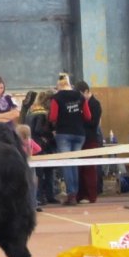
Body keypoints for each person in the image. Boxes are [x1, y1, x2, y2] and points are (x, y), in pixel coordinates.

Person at [48, 73, 91, 206]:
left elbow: (53, 117)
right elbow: (88, 117)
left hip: (64, 133)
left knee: (67, 164)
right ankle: (74, 194)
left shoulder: (56, 98)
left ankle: (71, 194)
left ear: (58, 86)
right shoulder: (80, 96)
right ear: (70, 84)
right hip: (79, 134)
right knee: (74, 163)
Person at [26, 91, 58, 205]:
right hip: (42, 145)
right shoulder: (42, 114)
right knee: (46, 172)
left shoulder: (31, 111)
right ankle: (46, 196)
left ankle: (40, 196)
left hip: (33, 145)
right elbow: (39, 129)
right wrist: (51, 134)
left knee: (38, 173)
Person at [74, 81, 102, 204]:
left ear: (86, 91)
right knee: (80, 169)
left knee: (89, 168)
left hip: (90, 139)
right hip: (81, 139)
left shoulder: (95, 104)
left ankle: (91, 196)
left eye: (80, 94)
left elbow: (93, 123)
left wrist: (80, 118)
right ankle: (80, 195)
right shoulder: (81, 103)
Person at [15, 124, 42, 211]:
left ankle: (21, 205)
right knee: (32, 185)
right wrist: (31, 153)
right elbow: (39, 149)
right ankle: (33, 204)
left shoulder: (17, 143)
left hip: (19, 164)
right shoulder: (30, 142)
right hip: (30, 164)